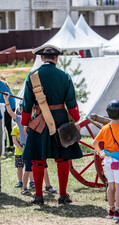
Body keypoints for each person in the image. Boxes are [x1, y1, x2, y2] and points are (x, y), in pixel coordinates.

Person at [21, 44, 83, 205]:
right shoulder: (64, 76)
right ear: (56, 58)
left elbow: (27, 104)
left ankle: (39, 195)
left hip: (39, 121)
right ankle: (62, 195)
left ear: (42, 58)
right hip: (61, 120)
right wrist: (75, 119)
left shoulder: (32, 76)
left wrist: (26, 122)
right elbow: (71, 102)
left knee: (37, 159)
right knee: (62, 159)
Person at [3, 93, 56, 195]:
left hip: (37, 144)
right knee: (27, 168)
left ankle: (48, 186)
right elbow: (9, 112)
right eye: (22, 108)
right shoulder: (19, 119)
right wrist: (6, 101)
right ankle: (24, 188)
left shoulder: (36, 117)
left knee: (44, 166)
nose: (24, 109)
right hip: (27, 146)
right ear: (21, 109)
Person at [93, 100, 119, 220]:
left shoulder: (105, 128)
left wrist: (101, 153)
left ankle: (111, 210)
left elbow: (94, 142)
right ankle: (118, 212)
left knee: (110, 186)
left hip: (107, 160)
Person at [0, 78, 16, 152]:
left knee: (2, 127)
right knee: (8, 126)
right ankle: (10, 146)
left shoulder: (1, 84)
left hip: (9, 105)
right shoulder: (2, 84)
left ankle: (4, 146)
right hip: (9, 105)